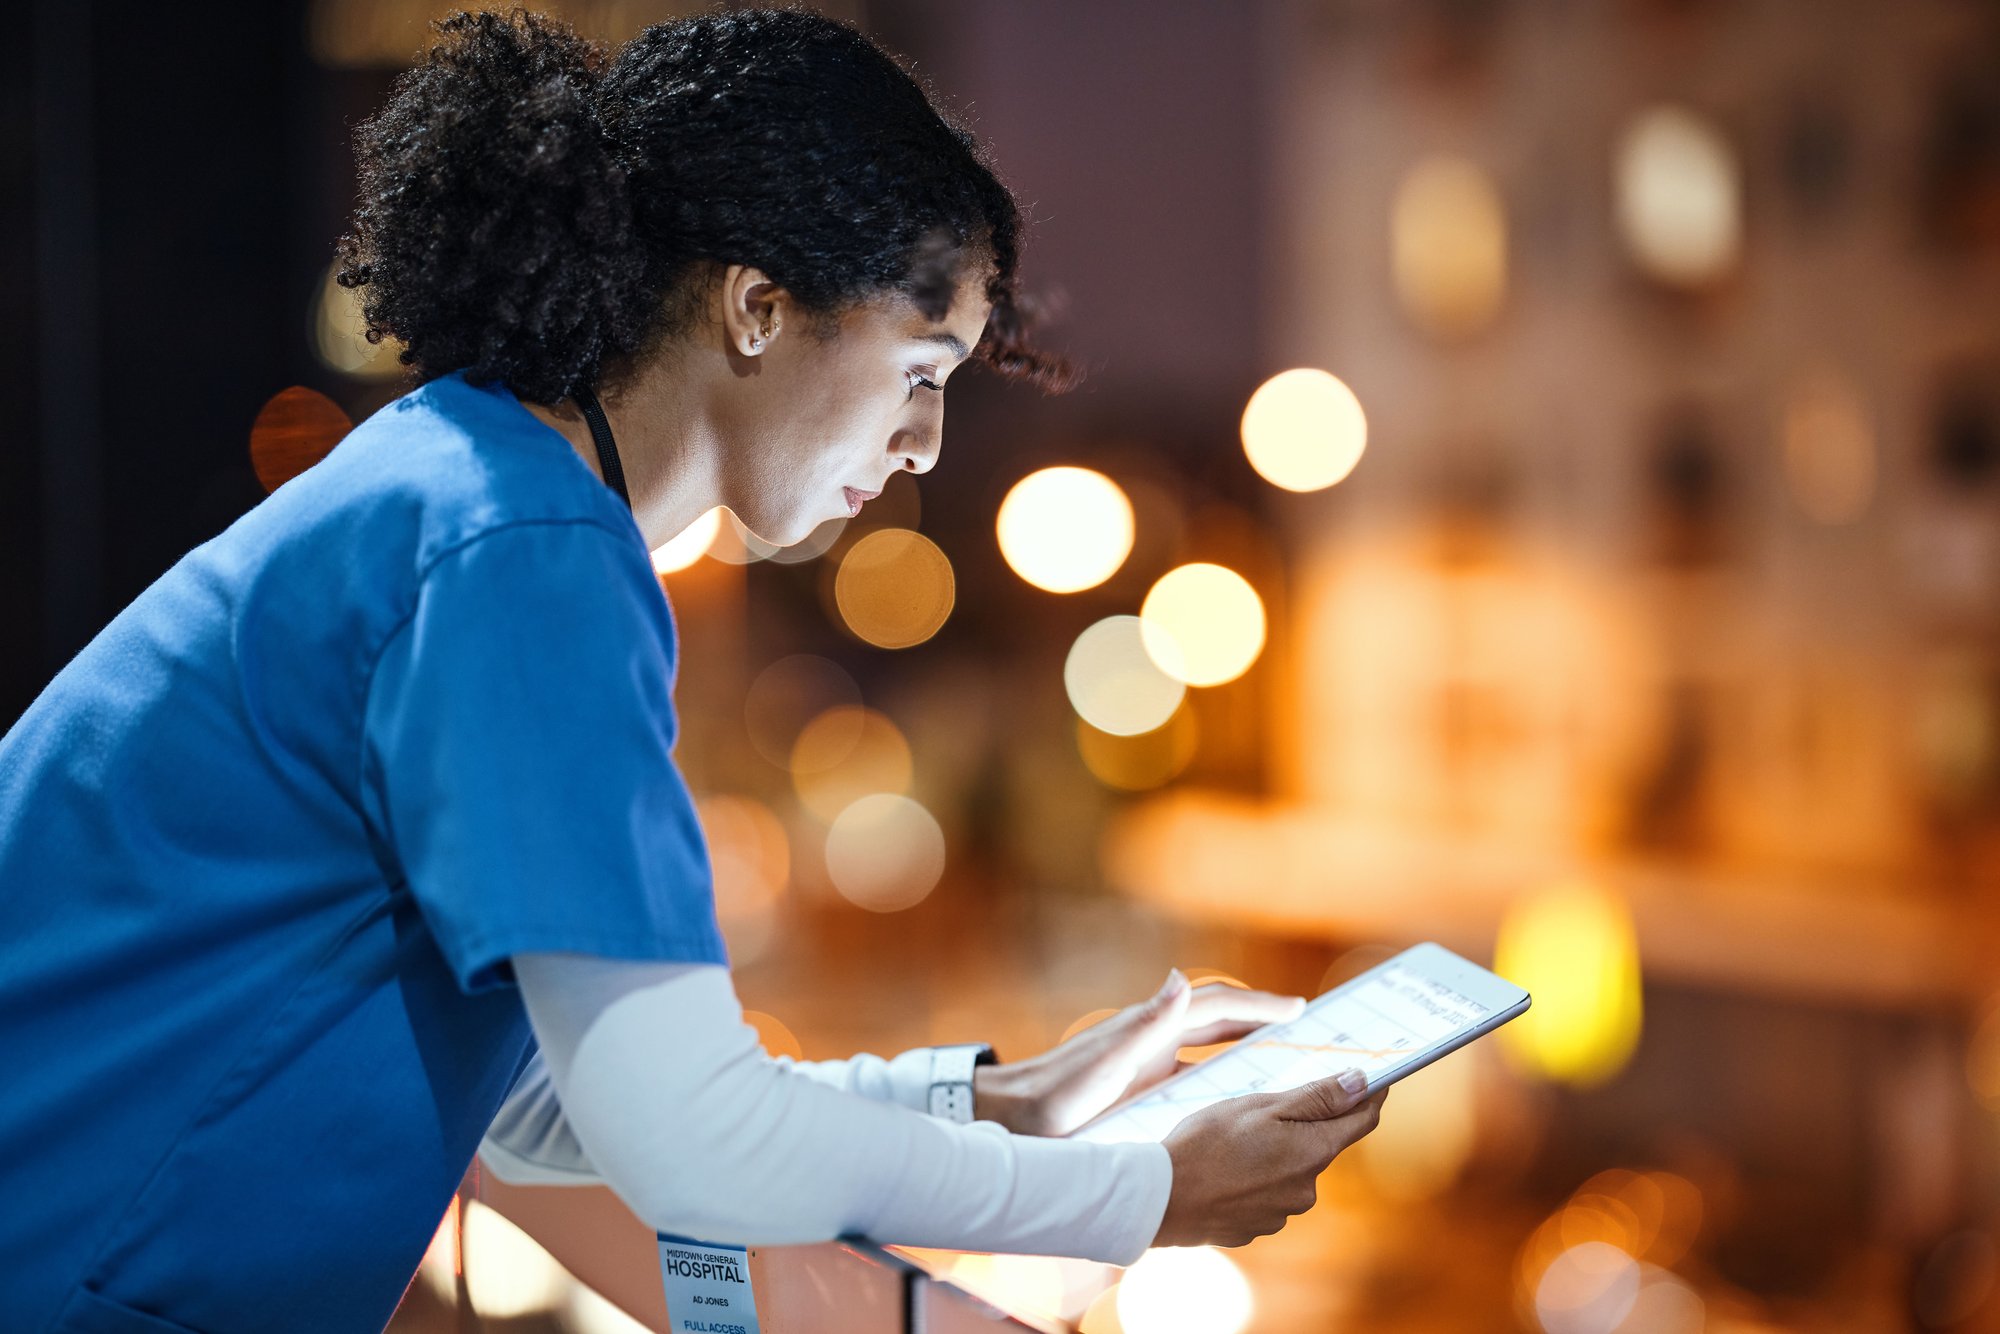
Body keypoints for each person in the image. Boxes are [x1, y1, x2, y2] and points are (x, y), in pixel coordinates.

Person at [0, 10, 1388, 1331]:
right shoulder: (519, 553)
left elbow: (555, 1102)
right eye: (922, 367)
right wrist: (1139, 1192)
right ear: (759, 307)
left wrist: (1001, 1100)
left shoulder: (462, 482)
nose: (925, 447)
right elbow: (689, 1141)